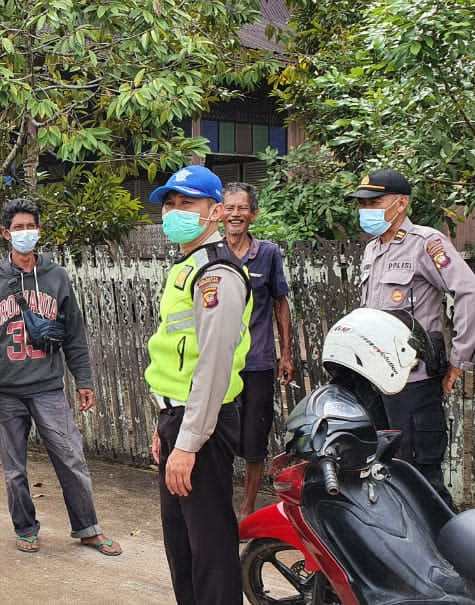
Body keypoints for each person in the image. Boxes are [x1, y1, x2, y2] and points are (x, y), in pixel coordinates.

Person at [0, 198, 121, 557]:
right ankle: (26, 528)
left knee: (72, 458)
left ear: (39, 230)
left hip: (48, 387)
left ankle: (88, 528)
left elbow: (74, 333)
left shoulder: (55, 276)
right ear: (6, 234)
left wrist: (83, 379)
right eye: (17, 228)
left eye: (29, 227)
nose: (25, 234)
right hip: (6, 390)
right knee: (14, 470)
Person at [347, 168, 475, 504]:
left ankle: (451, 549)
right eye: (362, 203)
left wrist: (459, 360)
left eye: (375, 201)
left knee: (419, 474)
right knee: (384, 470)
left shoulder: (426, 243)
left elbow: (472, 294)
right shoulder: (372, 250)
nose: (366, 209)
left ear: (401, 203)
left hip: (413, 379)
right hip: (376, 379)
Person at [145, 165, 251, 605]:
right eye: (169, 203)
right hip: (180, 419)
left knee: (210, 548)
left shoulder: (217, 275)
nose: (174, 211)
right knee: (183, 546)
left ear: (215, 212)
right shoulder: (187, 267)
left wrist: (187, 444)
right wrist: (165, 424)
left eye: (186, 203)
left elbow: (213, 367)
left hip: (201, 426)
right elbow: (178, 357)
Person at [221, 182, 295, 518]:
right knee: (218, 433)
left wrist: (287, 354)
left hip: (258, 361)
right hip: (219, 362)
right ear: (219, 212)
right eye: (229, 207)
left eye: (242, 208)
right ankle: (218, 502)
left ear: (253, 214)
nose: (235, 214)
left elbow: (281, 303)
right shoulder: (211, 252)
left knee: (254, 436)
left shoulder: (267, 253)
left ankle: (248, 507)